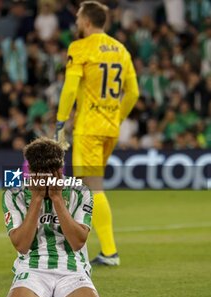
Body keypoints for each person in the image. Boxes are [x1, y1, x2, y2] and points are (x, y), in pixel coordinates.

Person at [55, 1, 139, 266]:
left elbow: (69, 89)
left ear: (87, 22)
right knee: (80, 186)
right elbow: (133, 93)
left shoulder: (80, 48)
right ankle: (74, 246)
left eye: (79, 18)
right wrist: (116, 116)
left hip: (89, 129)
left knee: (92, 186)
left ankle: (110, 251)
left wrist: (60, 122)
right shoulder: (121, 50)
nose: (77, 23)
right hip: (109, 128)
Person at [2, 137, 102, 297]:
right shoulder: (14, 195)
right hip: (33, 270)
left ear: (60, 170)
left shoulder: (80, 192)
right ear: (30, 171)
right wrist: (37, 199)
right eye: (38, 174)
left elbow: (78, 242)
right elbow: (22, 246)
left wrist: (57, 199)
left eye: (51, 174)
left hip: (72, 271)